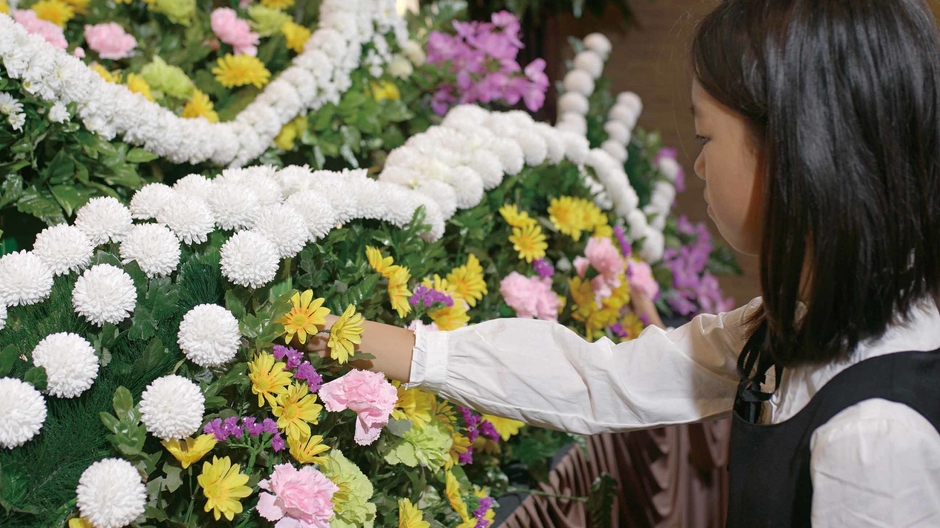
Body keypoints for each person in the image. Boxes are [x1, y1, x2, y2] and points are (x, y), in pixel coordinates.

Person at [308, 0, 940, 525]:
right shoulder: (790, 326)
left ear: (794, 155)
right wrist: (414, 353)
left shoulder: (876, 434)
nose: (697, 164)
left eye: (705, 136)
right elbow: (607, 378)